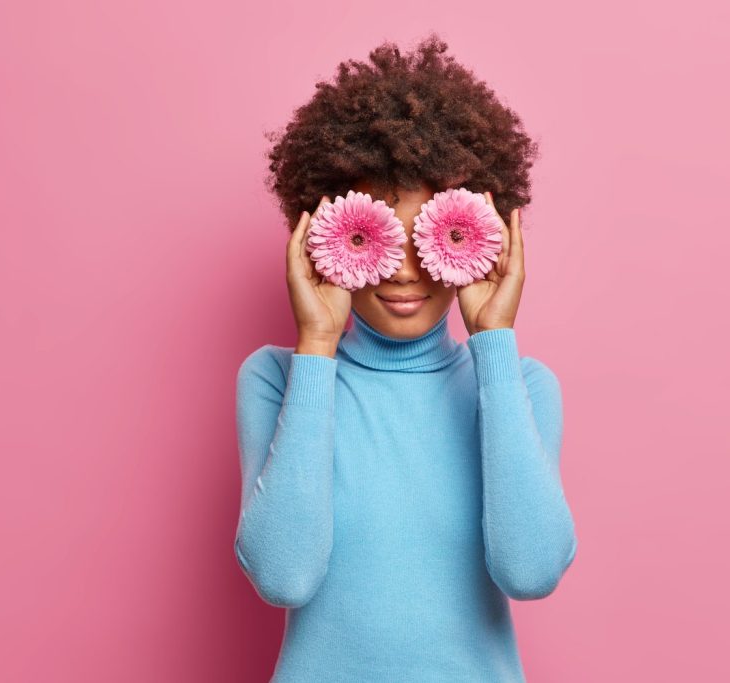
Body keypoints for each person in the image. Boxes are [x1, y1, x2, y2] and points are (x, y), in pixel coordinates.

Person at [234, 33, 577, 682]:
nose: (406, 271)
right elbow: (284, 573)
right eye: (380, 233)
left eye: (435, 235)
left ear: (486, 234)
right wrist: (316, 345)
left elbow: (530, 570)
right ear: (326, 228)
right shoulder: (277, 379)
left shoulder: (522, 386)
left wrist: (493, 340)